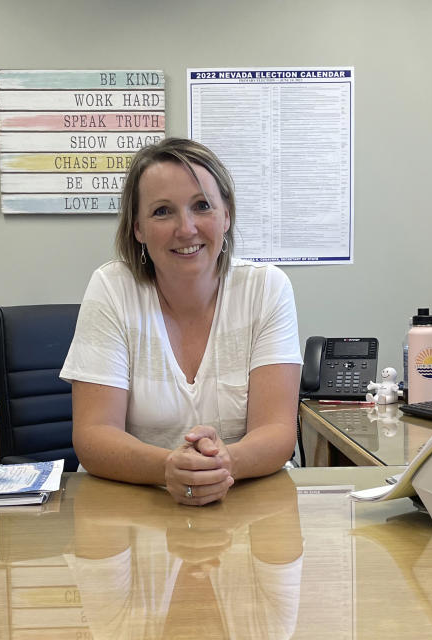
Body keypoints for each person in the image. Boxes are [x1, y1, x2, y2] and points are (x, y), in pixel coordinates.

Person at [60, 137, 302, 505]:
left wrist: (224, 463)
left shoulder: (267, 288)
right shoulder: (111, 288)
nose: (186, 228)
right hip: (133, 507)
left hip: (245, 503)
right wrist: (169, 467)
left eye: (202, 206)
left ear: (226, 216)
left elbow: (278, 431)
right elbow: (94, 435)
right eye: (162, 211)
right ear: (138, 228)